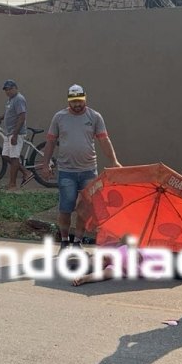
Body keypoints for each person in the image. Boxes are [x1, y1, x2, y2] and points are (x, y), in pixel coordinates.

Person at [40, 84, 121, 253]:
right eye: (73, 101)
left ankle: (77, 242)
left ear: (85, 99)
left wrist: (114, 161)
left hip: (88, 171)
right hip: (66, 171)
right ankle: (64, 242)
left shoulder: (95, 117)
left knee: (85, 209)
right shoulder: (59, 117)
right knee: (65, 208)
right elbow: (51, 141)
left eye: (80, 101)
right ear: (68, 101)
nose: (77, 104)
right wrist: (45, 164)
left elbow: (104, 140)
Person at [0, 79, 30, 191]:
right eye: (6, 90)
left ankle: (12, 184)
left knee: (14, 158)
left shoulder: (19, 99)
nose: (8, 91)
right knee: (5, 155)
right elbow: (8, 112)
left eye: (10, 89)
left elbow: (22, 117)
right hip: (8, 133)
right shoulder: (10, 100)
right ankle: (26, 172)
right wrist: (0, 118)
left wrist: (15, 135)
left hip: (16, 133)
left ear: (16, 88)